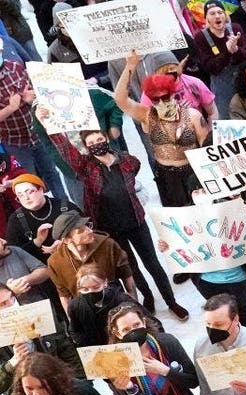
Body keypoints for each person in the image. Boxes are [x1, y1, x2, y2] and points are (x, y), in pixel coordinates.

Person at [42, 127, 187, 319]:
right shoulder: (86, 166)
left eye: (99, 139)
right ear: (86, 147)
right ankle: (148, 298)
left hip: (136, 221)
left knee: (153, 264)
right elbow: (66, 150)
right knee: (131, 268)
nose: (97, 145)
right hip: (111, 228)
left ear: (106, 139)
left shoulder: (126, 160)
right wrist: (53, 127)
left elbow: (136, 165)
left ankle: (171, 302)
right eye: (91, 143)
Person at [116, 53, 207, 208]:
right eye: (155, 99)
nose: (161, 102)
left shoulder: (192, 115)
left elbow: (207, 148)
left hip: (193, 172)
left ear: (171, 94)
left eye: (164, 97)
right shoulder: (147, 115)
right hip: (166, 176)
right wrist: (130, 66)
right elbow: (120, 99)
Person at [0, 39, 67, 201]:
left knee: (51, 172)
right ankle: (40, 215)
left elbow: (34, 90)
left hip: (36, 132)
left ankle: (65, 208)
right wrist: (10, 109)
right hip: (15, 142)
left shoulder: (16, 67)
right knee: (27, 182)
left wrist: (32, 97)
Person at [45, 212, 136, 313]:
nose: (89, 231)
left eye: (88, 226)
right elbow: (64, 295)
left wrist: (135, 306)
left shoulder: (107, 245)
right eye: (81, 231)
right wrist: (73, 322)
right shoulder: (55, 262)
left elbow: (127, 275)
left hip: (116, 306)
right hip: (87, 313)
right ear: (66, 240)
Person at [192, 1, 246, 119]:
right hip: (221, 86)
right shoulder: (200, 37)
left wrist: (236, 50)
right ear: (206, 18)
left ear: (225, 15)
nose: (217, 16)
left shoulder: (235, 28)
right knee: (227, 120)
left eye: (220, 12)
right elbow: (210, 68)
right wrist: (227, 52)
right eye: (212, 13)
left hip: (243, 80)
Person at [4, 173, 79, 262]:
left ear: (41, 189)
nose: (26, 198)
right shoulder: (16, 219)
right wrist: (37, 241)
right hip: (42, 267)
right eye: (20, 195)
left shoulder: (65, 207)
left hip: (75, 258)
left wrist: (67, 243)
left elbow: (90, 231)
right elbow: (14, 254)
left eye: (29, 192)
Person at [66, 264, 142, 348]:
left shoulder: (121, 299)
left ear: (105, 283)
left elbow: (148, 320)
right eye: (85, 289)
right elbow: (75, 330)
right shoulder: (76, 306)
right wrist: (88, 346)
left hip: (126, 345)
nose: (91, 292)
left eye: (96, 287)